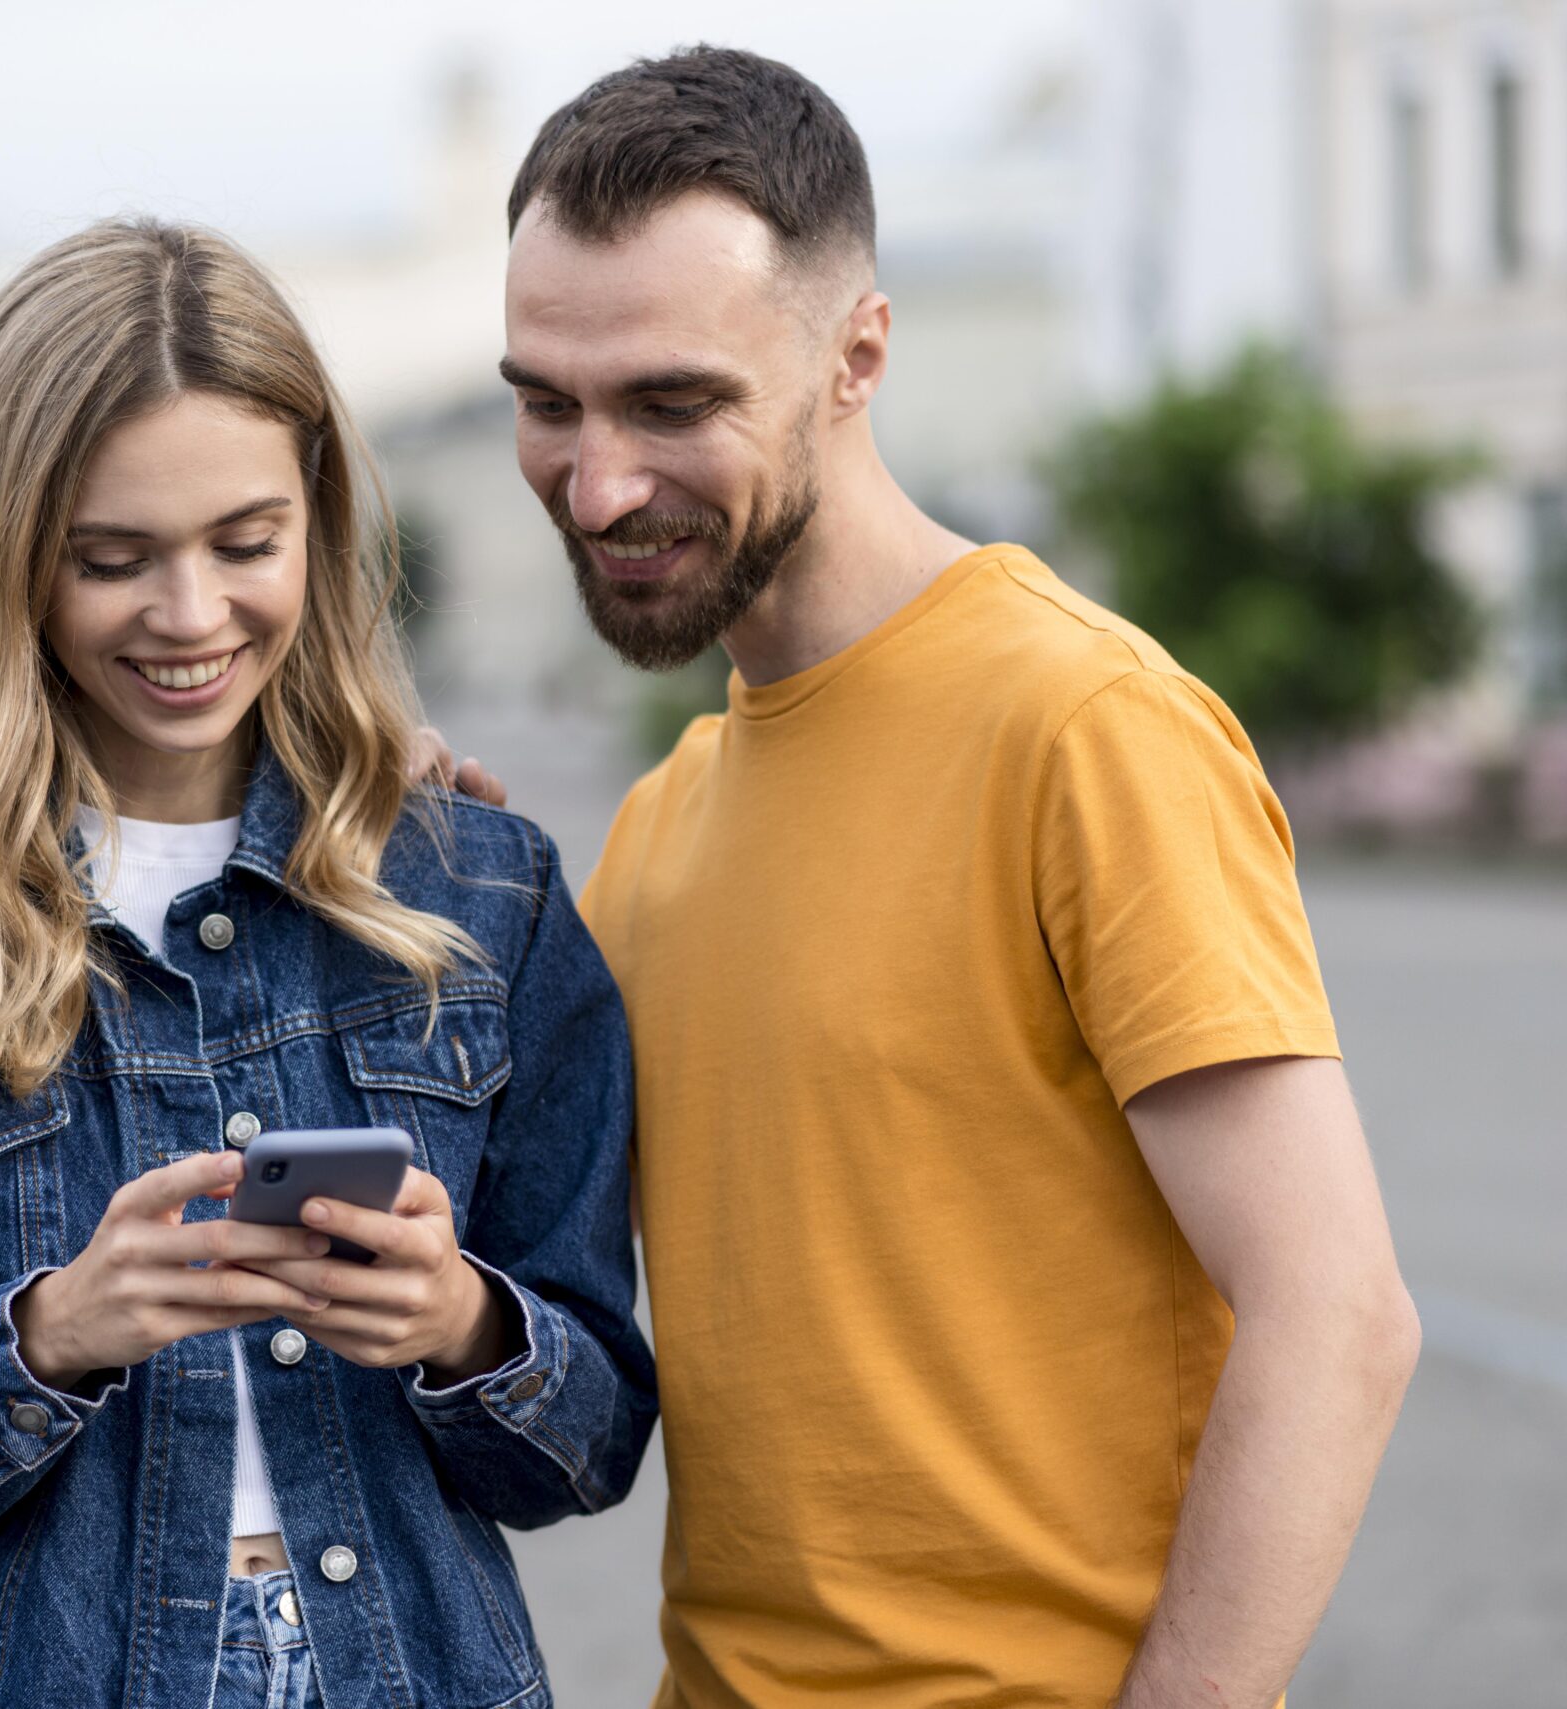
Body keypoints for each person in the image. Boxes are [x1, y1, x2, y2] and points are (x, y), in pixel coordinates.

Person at [492, 45, 1421, 1709]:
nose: (599, 479)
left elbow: (1337, 1318)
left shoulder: (1085, 725)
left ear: (857, 358)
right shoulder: (660, 821)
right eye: (548, 400)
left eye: (672, 402)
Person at [0, 216, 655, 1709]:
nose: (192, 615)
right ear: (8, 554)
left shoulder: (481, 887)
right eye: (113, 559)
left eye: (245, 544)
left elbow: (591, 1439)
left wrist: (462, 1321)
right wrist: (49, 1336)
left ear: (318, 522)